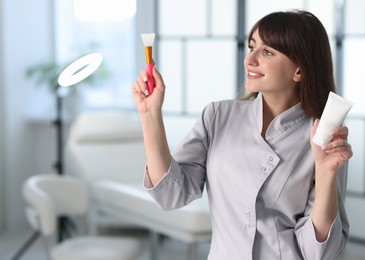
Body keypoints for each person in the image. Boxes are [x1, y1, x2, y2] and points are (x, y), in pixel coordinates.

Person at [132, 10, 352, 260]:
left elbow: (318, 253)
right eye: (251, 47)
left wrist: (325, 172)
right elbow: (170, 195)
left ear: (299, 71)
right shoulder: (218, 116)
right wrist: (150, 116)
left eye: (268, 52)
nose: (250, 59)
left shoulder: (321, 137)